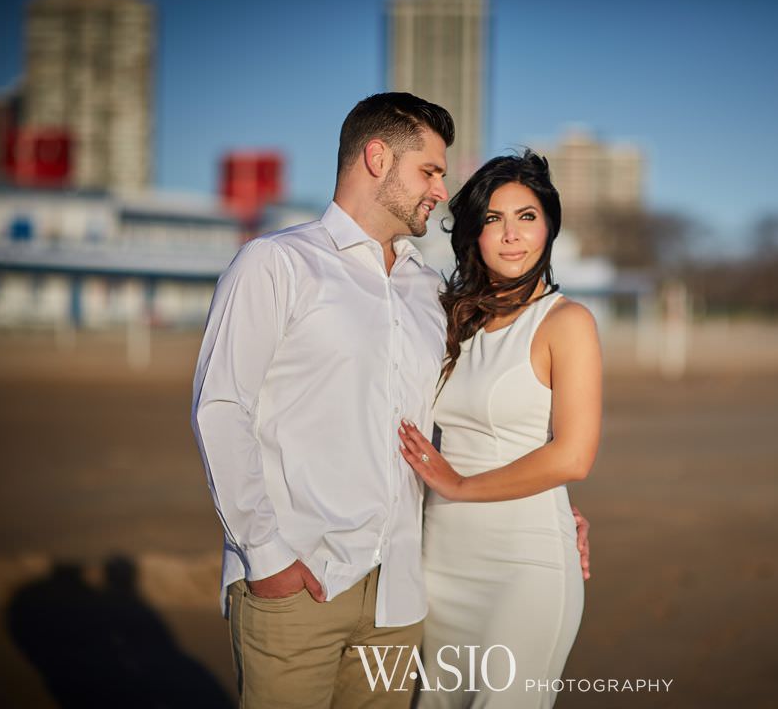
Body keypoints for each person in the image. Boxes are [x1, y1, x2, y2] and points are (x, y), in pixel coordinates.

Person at [191, 94, 589, 709]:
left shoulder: (429, 293)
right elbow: (221, 409)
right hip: (299, 582)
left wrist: (549, 516)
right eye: (429, 170)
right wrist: (267, 559)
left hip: (402, 597)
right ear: (378, 158)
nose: (439, 188)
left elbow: (452, 427)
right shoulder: (276, 264)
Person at [397, 151, 601, 708]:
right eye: (493, 220)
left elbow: (572, 457)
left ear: (550, 227)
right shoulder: (455, 321)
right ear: (474, 235)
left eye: (527, 217)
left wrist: (460, 484)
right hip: (439, 561)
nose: (512, 236)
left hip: (523, 564)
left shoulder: (567, 322)